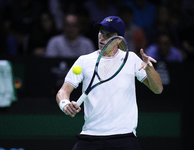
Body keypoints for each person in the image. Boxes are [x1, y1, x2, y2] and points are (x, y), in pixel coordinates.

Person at [56, 16, 163, 150]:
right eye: (101, 32)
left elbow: (158, 89)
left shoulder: (131, 59)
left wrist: (149, 69)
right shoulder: (84, 61)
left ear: (119, 39)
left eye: (108, 34)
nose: (102, 37)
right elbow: (63, 92)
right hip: (91, 136)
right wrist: (65, 104)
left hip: (124, 136)